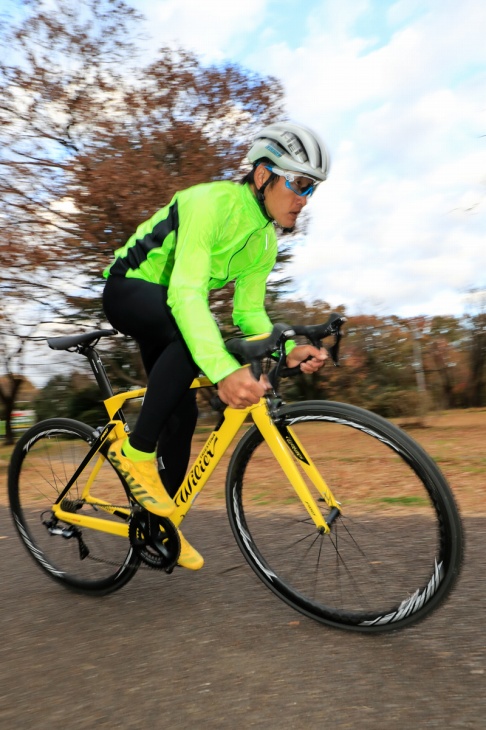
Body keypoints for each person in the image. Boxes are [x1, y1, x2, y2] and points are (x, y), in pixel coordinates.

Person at [102, 121, 330, 570]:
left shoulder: (263, 242)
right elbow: (185, 294)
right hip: (130, 289)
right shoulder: (209, 202)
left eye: (312, 189)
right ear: (263, 175)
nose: (304, 199)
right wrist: (225, 371)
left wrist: (286, 350)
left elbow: (248, 315)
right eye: (299, 184)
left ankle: (158, 523)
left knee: (182, 414)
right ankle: (135, 451)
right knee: (196, 338)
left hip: (169, 311)